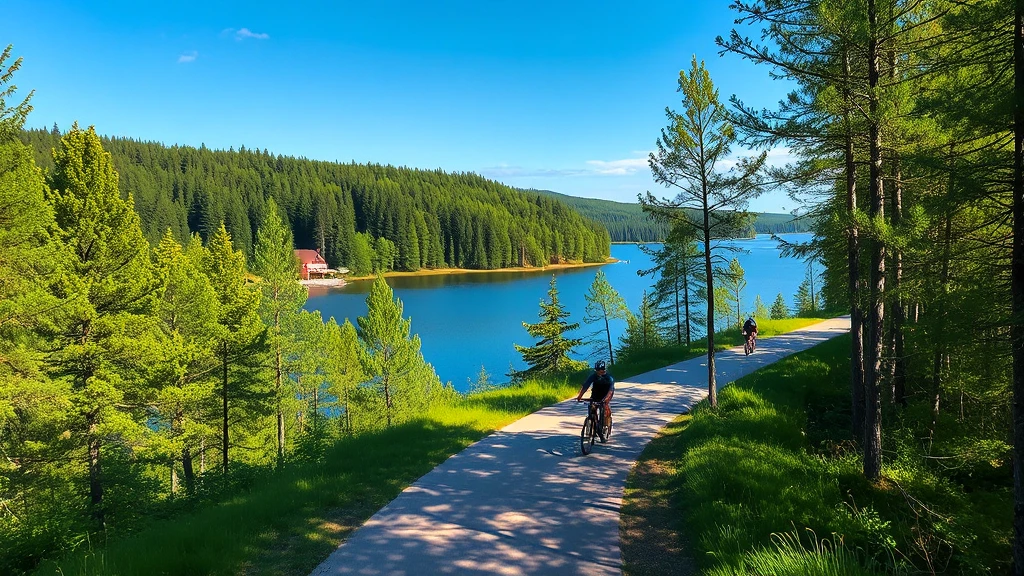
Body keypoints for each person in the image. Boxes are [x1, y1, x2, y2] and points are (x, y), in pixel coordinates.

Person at [576, 360, 614, 432]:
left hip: (606, 395)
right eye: (598, 371)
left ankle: (606, 425)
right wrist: (580, 396)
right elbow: (586, 386)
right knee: (592, 408)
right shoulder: (593, 376)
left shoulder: (609, 378)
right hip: (595, 395)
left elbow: (610, 390)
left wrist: (606, 400)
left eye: (601, 371)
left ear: (604, 370)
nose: (599, 372)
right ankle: (594, 423)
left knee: (605, 408)